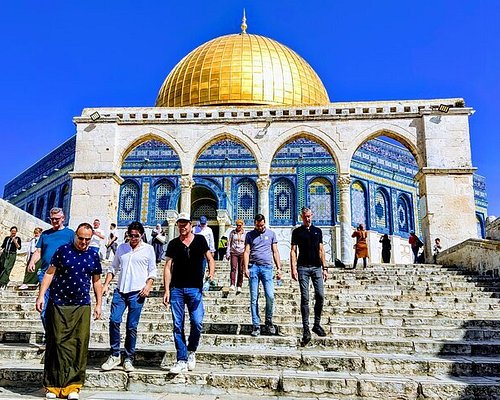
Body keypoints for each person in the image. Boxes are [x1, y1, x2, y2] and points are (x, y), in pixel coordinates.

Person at [35, 223, 102, 400]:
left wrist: (98, 304)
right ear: (75, 236)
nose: (84, 242)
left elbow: (96, 281)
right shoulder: (63, 251)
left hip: (81, 305)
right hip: (59, 303)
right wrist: (41, 295)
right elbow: (49, 273)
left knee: (79, 345)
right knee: (56, 342)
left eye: (87, 239)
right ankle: (53, 385)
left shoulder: (93, 255)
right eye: (81, 238)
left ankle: (73, 386)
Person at [101, 221, 157, 373]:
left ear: (142, 235)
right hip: (120, 291)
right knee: (114, 320)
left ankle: (128, 358)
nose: (133, 238)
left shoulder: (148, 249)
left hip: (137, 292)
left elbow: (152, 270)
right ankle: (114, 354)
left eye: (136, 236)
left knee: (131, 326)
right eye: (130, 235)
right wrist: (106, 284)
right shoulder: (122, 248)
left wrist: (148, 286)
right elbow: (113, 267)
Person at [163, 213, 215, 374]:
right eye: (180, 223)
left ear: (191, 224)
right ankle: (181, 358)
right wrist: (166, 290)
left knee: (197, 322)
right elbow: (167, 267)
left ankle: (192, 350)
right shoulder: (173, 244)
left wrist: (211, 273)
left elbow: (210, 258)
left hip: (195, 288)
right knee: (178, 325)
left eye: (185, 223)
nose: (182, 226)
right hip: (177, 289)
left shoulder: (200, 240)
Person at [28, 207, 75, 329]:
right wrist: (32, 262)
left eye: (57, 219)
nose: (54, 221)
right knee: (44, 310)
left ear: (63, 219)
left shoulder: (70, 234)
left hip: (63, 276)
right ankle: (49, 336)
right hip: (45, 275)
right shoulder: (45, 234)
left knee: (61, 309)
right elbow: (38, 251)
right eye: (52, 219)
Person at [290, 207, 328, 346]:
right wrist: (293, 268)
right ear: (302, 216)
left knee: (320, 295)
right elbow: (293, 251)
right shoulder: (297, 232)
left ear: (312, 215)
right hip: (303, 268)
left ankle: (316, 324)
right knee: (305, 297)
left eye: (310, 216)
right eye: (305, 216)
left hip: (317, 267)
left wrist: (325, 267)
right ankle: (306, 329)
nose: (308, 218)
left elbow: (321, 249)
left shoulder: (318, 231)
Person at [243, 214, 281, 337]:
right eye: (258, 226)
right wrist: (245, 268)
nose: (261, 228)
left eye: (262, 225)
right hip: (253, 267)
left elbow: (275, 251)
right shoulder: (249, 235)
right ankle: (256, 325)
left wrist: (279, 268)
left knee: (270, 295)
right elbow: (247, 251)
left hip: (267, 268)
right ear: (255, 224)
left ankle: (268, 321)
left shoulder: (271, 234)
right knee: (254, 298)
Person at [225, 219, 246, 293]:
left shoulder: (245, 234)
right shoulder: (232, 233)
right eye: (237, 225)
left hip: (242, 253)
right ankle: (232, 284)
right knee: (233, 268)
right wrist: (227, 253)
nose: (238, 227)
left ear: (242, 225)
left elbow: (247, 244)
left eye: (240, 225)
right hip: (233, 252)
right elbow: (229, 243)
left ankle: (239, 285)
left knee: (241, 270)